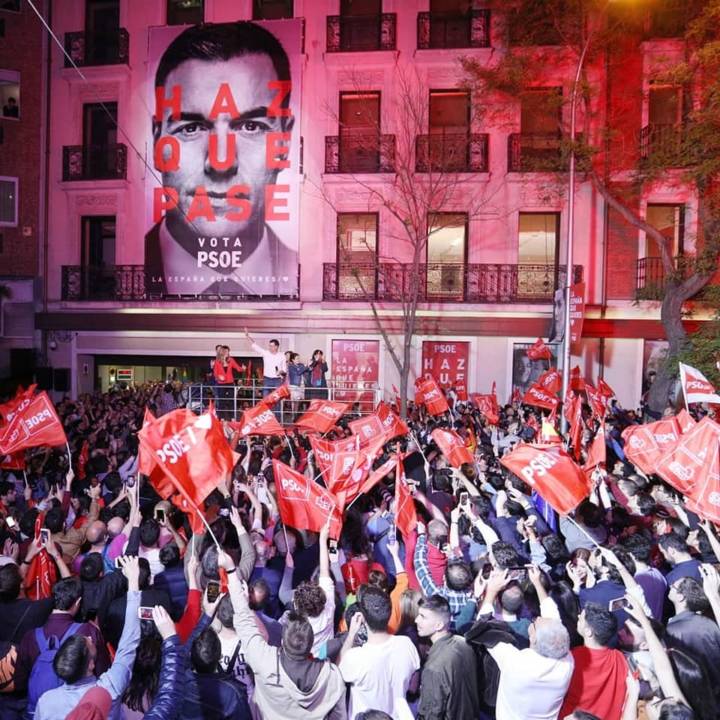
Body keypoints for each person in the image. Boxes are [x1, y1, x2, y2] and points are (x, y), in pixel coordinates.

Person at [145, 22, 298, 297]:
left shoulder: (299, 271)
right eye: (191, 128)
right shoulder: (133, 270)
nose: (221, 163)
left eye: (251, 126)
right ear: (158, 141)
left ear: (284, 141)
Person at [225, 554, 347, 720]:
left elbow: (245, 624)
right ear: (309, 643)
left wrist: (232, 573)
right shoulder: (331, 675)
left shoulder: (266, 662)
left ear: (282, 641)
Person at [34, 556, 142, 720]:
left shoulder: (46, 702)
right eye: (88, 643)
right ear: (91, 665)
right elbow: (129, 642)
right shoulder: (108, 690)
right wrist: (133, 583)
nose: (89, 638)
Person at [338, 586, 420, 719]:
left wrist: (351, 634)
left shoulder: (355, 657)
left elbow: (337, 672)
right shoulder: (407, 645)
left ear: (363, 618)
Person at [559, 603, 632, 720]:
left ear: (589, 632)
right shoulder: (620, 658)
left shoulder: (572, 658)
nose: (578, 616)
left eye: (582, 618)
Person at [414, 595, 480, 720]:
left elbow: (431, 715)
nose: (416, 620)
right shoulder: (464, 643)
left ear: (439, 625)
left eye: (423, 616)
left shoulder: (433, 668)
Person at [244, 329, 286, 398]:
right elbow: (254, 345)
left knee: (277, 398)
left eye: (271, 346)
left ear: (276, 347)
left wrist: (280, 371)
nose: (270, 347)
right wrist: (247, 336)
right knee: (265, 397)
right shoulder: (265, 353)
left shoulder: (282, 356)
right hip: (267, 379)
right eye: (269, 346)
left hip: (277, 380)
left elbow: (284, 371)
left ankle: (277, 406)